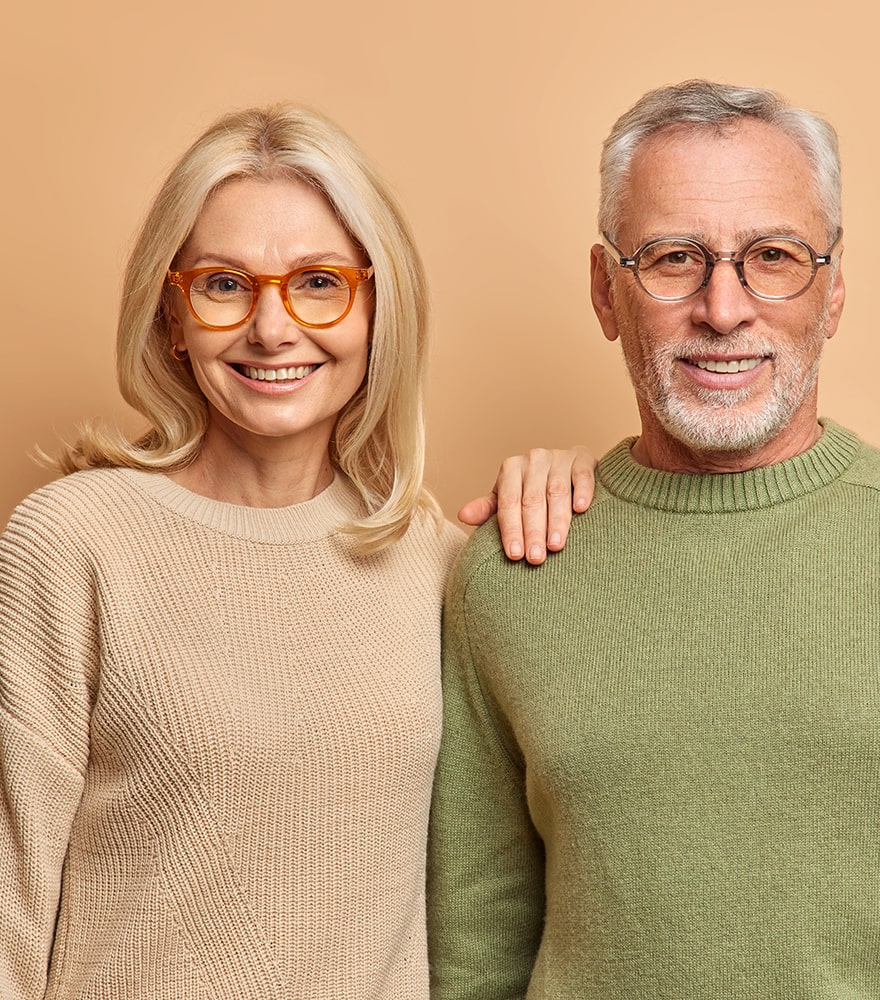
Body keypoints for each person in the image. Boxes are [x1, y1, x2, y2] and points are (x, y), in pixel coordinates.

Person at [0, 103, 595, 1000]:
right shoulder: (74, 544)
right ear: (171, 315)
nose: (272, 330)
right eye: (224, 284)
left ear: (376, 310)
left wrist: (575, 486)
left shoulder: (443, 565)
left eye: (319, 282)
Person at [428, 79, 880, 1000]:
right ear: (605, 291)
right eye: (672, 258)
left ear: (835, 286)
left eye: (772, 256)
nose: (724, 309)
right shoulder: (509, 567)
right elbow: (475, 957)